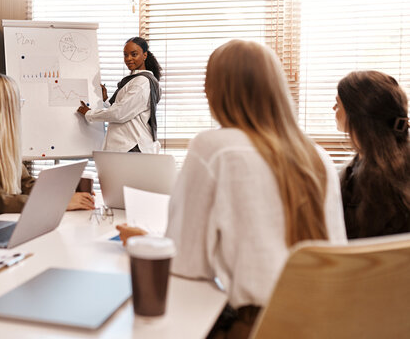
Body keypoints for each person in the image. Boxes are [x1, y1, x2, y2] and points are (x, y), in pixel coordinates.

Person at [118, 40, 346, 338]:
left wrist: (151, 242)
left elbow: (189, 265)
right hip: (328, 323)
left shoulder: (214, 148)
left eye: (206, 83)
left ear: (217, 91)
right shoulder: (317, 156)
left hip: (258, 326)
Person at [0, 72, 95, 223]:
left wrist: (65, 195)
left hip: (4, 222)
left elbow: (26, 183)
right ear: (6, 107)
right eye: (18, 102)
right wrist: (57, 202)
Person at [335, 71, 410, 239]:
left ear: (356, 116)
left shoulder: (366, 185)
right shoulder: (399, 166)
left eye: (338, 104)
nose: (334, 109)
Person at [77, 37, 162, 153]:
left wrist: (89, 113)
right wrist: (106, 100)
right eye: (125, 55)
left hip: (131, 146)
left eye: (134, 54)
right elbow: (127, 109)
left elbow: (120, 113)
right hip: (129, 146)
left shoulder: (141, 82)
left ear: (145, 55)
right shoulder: (138, 80)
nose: (128, 59)